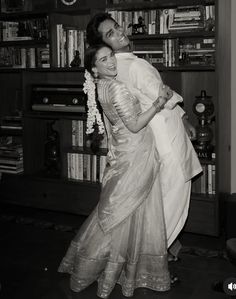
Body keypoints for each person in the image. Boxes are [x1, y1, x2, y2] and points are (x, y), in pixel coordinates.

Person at [58, 44, 174, 298]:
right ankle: (112, 268)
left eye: (111, 56)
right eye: (103, 59)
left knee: (126, 212)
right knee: (124, 214)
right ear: (94, 68)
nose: (111, 62)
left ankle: (123, 267)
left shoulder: (102, 87)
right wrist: (159, 102)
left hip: (125, 151)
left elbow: (116, 126)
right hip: (135, 153)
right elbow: (133, 125)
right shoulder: (118, 88)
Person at [86, 13, 202, 260]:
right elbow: (163, 96)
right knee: (174, 197)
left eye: (117, 27)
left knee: (160, 198)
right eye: (110, 33)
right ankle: (152, 258)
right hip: (165, 135)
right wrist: (184, 118)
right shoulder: (135, 65)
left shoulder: (110, 73)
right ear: (103, 45)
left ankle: (152, 252)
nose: (119, 32)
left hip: (147, 140)